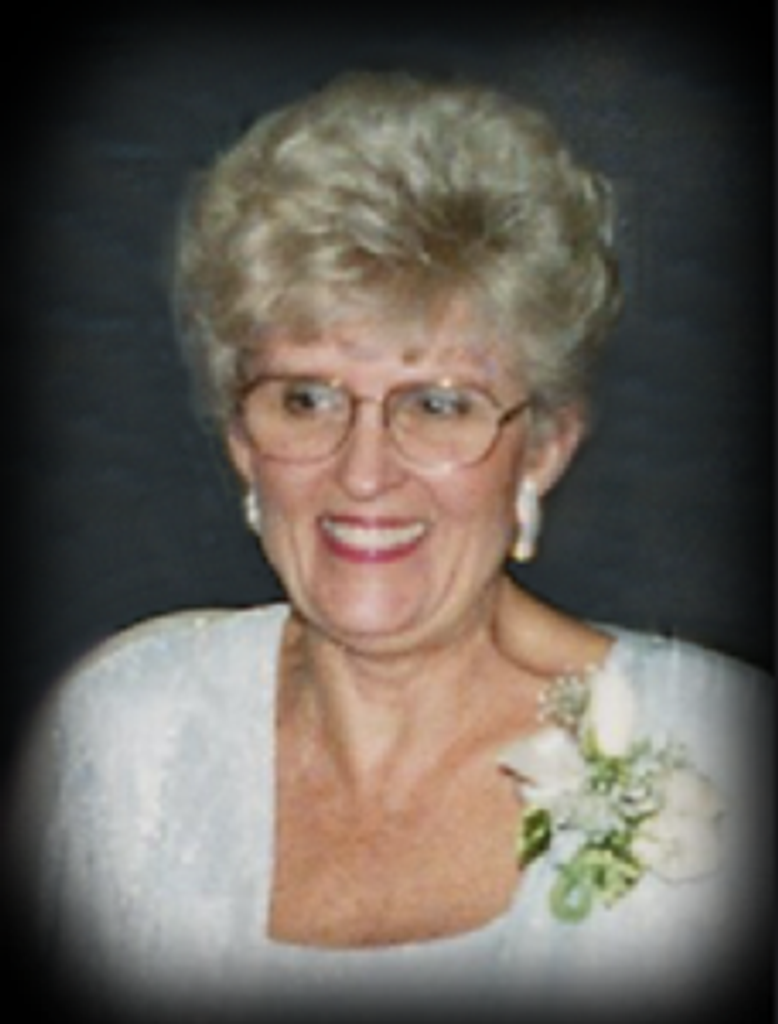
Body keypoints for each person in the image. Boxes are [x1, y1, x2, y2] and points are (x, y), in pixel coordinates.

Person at [10, 71, 772, 1021]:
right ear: (242, 439)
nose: (363, 473)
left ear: (543, 447)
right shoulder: (124, 735)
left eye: (439, 405)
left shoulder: (726, 754)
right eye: (306, 399)